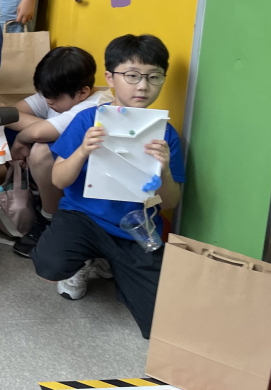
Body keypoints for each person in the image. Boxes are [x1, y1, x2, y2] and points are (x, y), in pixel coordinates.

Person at [30, 34, 185, 339]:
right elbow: (58, 180)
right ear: (110, 78)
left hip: (136, 228)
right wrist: (82, 151)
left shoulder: (165, 134)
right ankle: (84, 261)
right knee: (50, 263)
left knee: (159, 324)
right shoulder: (88, 120)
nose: (143, 86)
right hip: (83, 217)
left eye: (154, 77)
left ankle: (111, 263)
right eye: (132, 76)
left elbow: (170, 201)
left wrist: (164, 169)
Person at [7, 46, 111, 257]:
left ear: (83, 92)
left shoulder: (94, 106)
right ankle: (32, 198)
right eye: (45, 95)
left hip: (87, 185)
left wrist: (22, 138)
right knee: (33, 135)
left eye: (53, 98)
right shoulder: (58, 91)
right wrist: (43, 129)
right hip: (63, 173)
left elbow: (37, 132)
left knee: (41, 150)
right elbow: (10, 113)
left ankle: (49, 217)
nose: (48, 102)